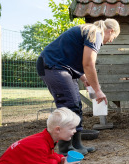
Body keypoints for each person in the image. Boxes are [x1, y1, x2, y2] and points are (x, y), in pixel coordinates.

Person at [36, 19, 120, 156]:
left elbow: (73, 57)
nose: (111, 40)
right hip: (52, 66)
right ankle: (65, 149)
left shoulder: (90, 32)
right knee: (69, 106)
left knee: (76, 105)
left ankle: (76, 144)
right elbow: (88, 64)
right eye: (113, 37)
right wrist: (98, 90)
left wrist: (83, 77)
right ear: (111, 31)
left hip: (61, 67)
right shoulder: (96, 34)